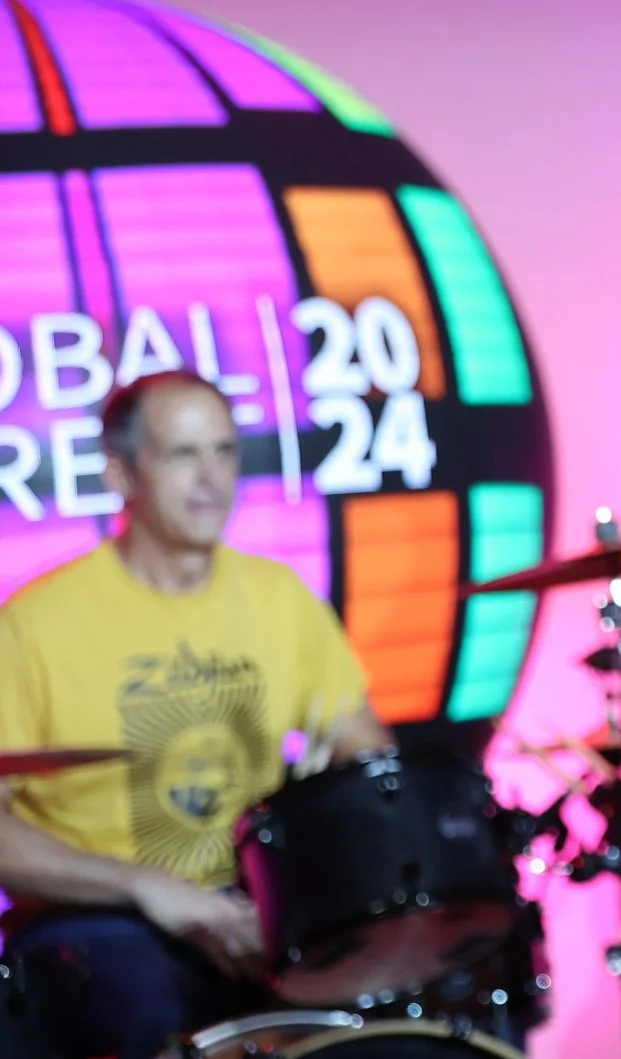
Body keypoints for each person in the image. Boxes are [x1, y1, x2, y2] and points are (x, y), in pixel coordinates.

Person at [0, 370, 390, 1059]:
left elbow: (366, 754)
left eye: (224, 450)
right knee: (149, 1011)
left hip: (255, 904)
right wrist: (146, 888)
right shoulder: (34, 624)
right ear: (120, 473)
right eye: (183, 453)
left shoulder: (278, 594)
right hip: (103, 920)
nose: (212, 477)